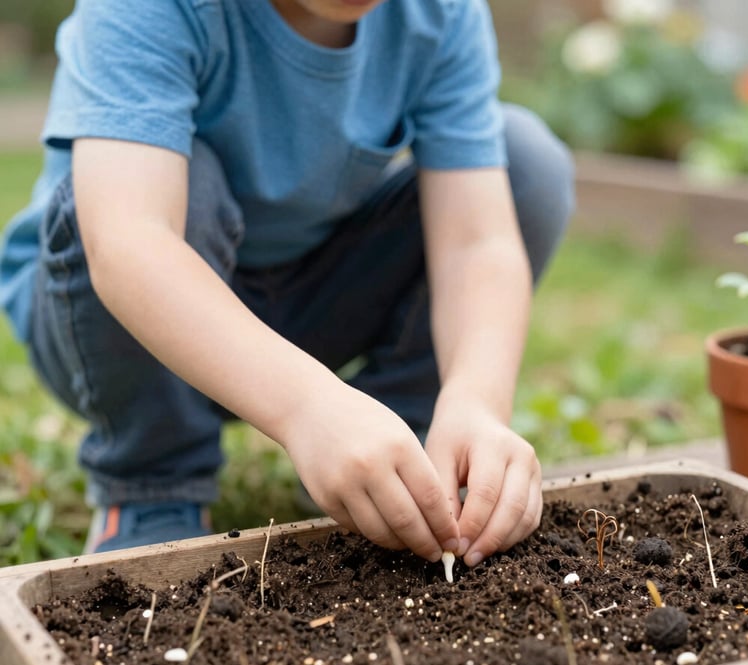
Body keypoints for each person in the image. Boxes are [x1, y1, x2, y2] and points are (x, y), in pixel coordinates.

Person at [0, 0, 574, 565]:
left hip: (307, 298)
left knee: (524, 165)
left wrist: (477, 401)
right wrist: (307, 408)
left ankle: (395, 451)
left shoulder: (441, 12)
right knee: (150, 182)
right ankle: (154, 484)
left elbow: (477, 245)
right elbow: (128, 244)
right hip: (119, 326)